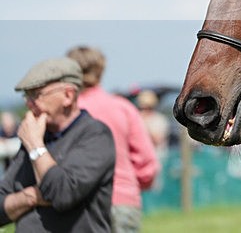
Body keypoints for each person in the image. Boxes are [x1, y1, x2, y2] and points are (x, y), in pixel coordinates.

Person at [0, 57, 115, 232]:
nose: (29, 104)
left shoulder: (95, 135)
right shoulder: (35, 137)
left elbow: (62, 194)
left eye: (36, 95)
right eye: (26, 96)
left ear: (68, 95)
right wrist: (31, 196)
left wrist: (36, 146)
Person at [67, 46, 160, 233]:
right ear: (101, 70)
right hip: (124, 199)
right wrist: (132, 185)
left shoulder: (68, 111)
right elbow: (147, 162)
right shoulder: (123, 108)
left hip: (79, 203)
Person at [135, 90, 169, 154]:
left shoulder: (159, 120)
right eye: (141, 108)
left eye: (145, 108)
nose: (143, 111)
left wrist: (142, 124)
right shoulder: (138, 119)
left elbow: (157, 140)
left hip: (158, 157)